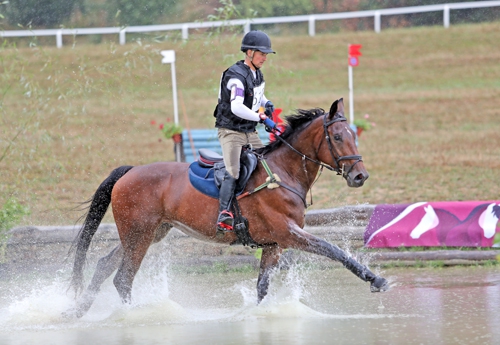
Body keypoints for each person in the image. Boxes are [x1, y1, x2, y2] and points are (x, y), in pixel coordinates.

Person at [213, 30, 277, 234]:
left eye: (266, 54)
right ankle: (224, 214)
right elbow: (237, 107)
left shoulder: (256, 72)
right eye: (262, 54)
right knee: (233, 171)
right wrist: (260, 117)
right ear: (249, 52)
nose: (265, 58)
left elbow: (257, 93)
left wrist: (267, 103)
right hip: (231, 132)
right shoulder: (235, 76)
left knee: (267, 164)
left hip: (249, 131)